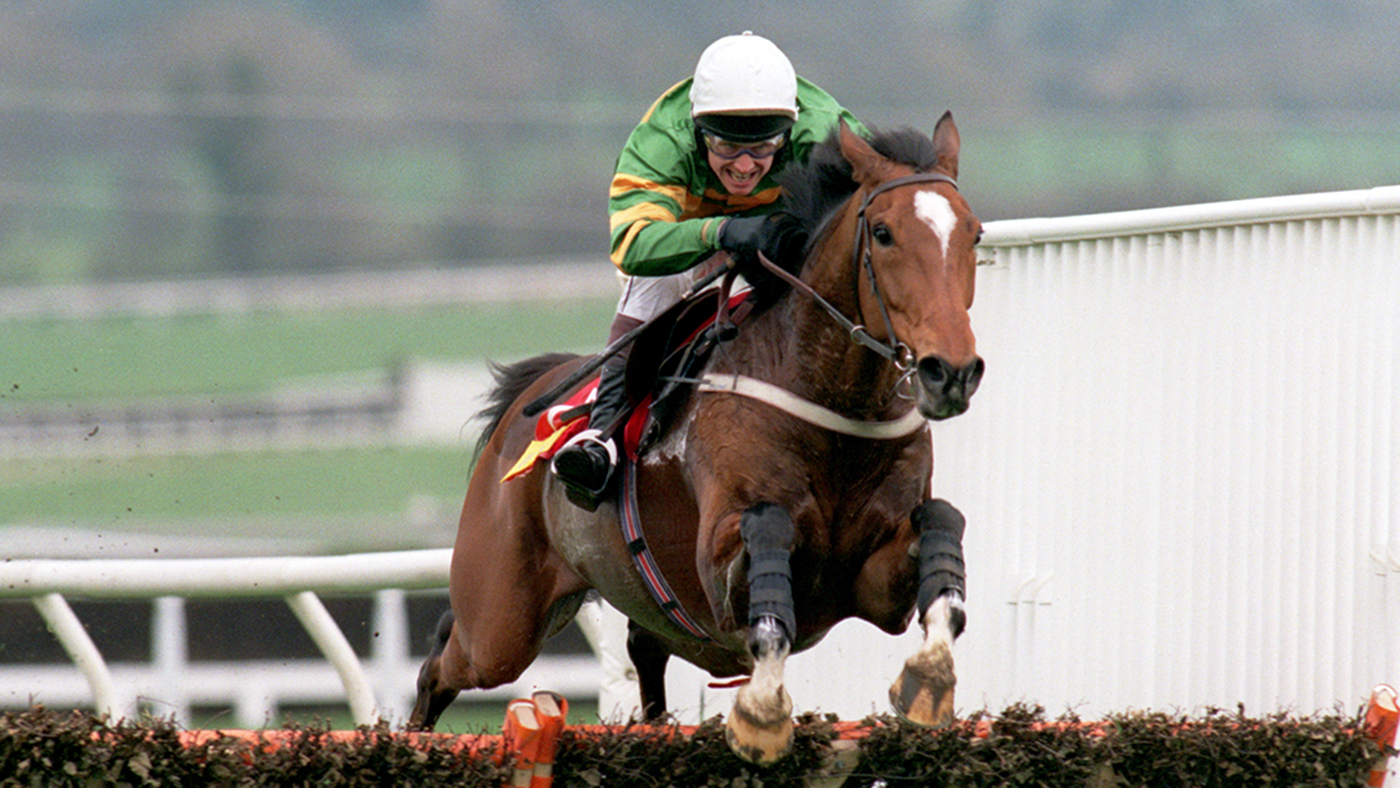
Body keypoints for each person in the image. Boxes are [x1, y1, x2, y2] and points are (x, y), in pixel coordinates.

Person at [551, 31, 867, 510]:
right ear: (698, 132)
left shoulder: (827, 131)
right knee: (656, 281)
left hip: (789, 233)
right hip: (685, 244)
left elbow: (880, 209)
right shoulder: (662, 139)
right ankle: (604, 434)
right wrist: (718, 233)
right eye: (725, 146)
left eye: (763, 148)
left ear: (791, 130)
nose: (743, 166)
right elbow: (634, 243)